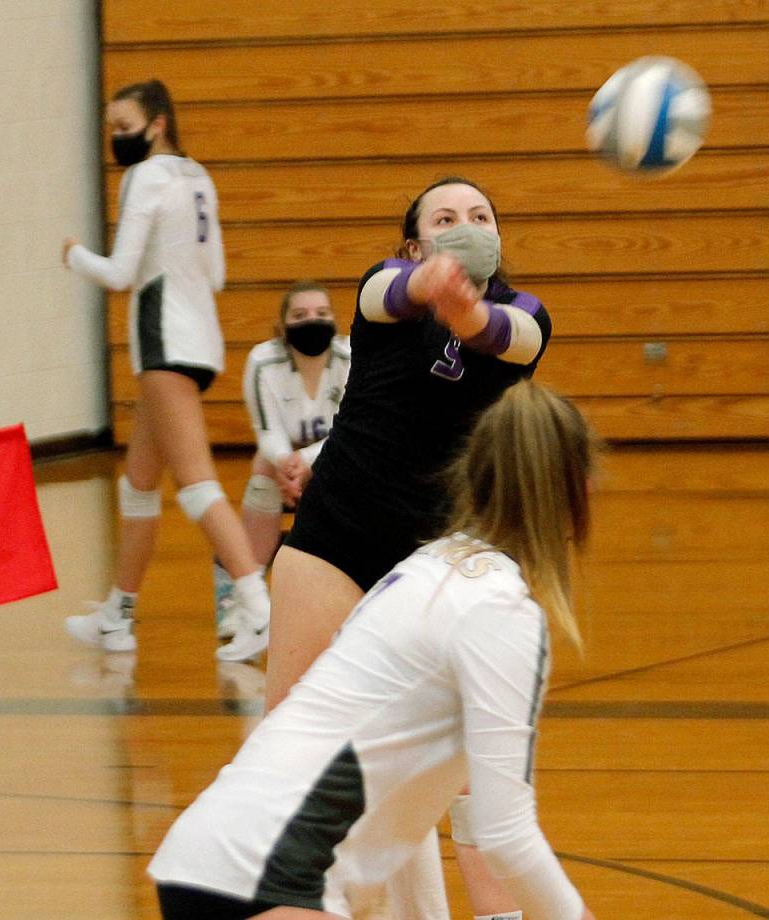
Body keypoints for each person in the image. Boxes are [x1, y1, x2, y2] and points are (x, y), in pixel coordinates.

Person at [215, 176, 552, 917]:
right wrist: (428, 287)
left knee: (463, 774)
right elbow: (387, 296)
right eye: (445, 218)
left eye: (480, 216)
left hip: (445, 563)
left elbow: (509, 338)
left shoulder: (526, 313)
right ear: (413, 243)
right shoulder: (384, 288)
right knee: (288, 758)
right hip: (339, 539)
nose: (465, 225)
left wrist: (468, 309)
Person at [149, 380, 598, 920]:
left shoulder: (423, 569)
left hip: (204, 856)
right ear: (578, 493)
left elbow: (402, 806)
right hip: (272, 877)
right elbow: (506, 834)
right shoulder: (500, 612)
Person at [62, 79, 269, 654]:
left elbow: (121, 272)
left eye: (124, 129)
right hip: (199, 338)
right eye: (111, 131)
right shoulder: (197, 176)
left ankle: (258, 604)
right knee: (138, 485)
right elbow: (218, 274)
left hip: (162, 342)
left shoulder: (145, 176)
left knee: (197, 484)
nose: (117, 140)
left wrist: (74, 255)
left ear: (157, 124)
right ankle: (117, 616)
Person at [213, 282, 350, 637]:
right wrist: (287, 462)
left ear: (335, 320)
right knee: (262, 465)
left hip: (332, 460)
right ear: (283, 325)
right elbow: (267, 432)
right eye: (300, 315)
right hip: (282, 466)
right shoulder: (263, 361)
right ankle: (247, 594)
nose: (312, 321)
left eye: (322, 314)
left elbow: (350, 429)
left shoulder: (352, 358)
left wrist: (303, 461)